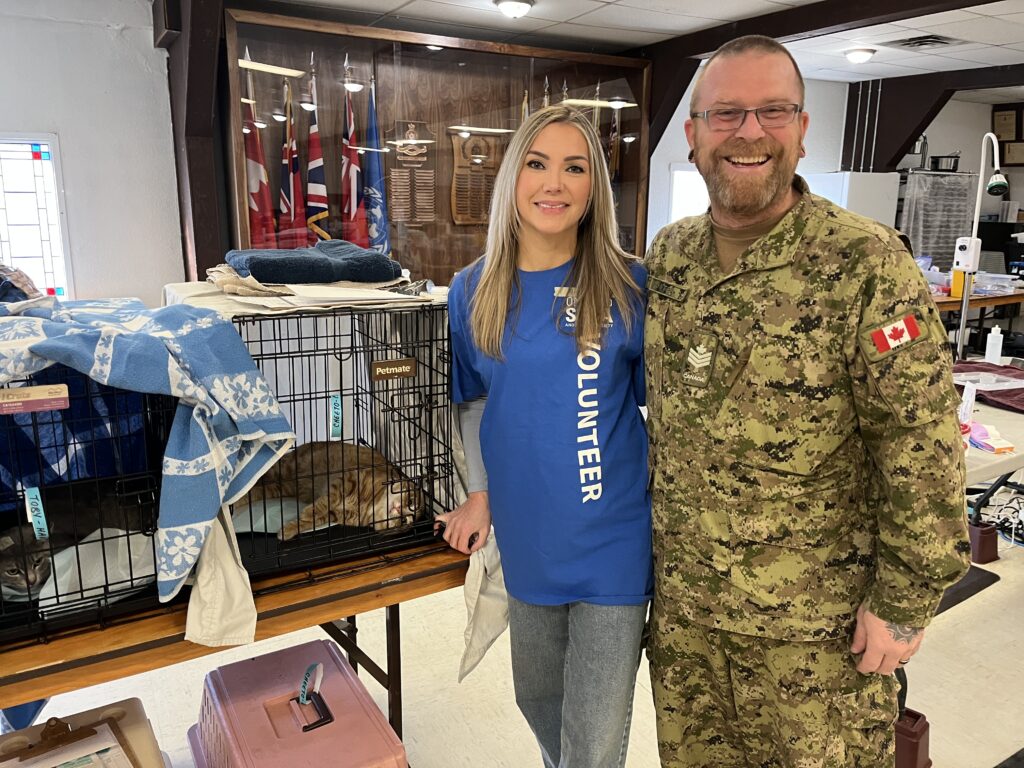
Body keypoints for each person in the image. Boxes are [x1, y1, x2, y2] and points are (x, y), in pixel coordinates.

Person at [644, 35, 970, 767]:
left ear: (802, 128)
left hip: (815, 639)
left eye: (774, 111)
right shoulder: (669, 259)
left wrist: (905, 602)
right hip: (689, 625)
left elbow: (919, 446)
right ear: (693, 134)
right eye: (726, 114)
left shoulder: (866, 262)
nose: (750, 132)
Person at [437, 105, 652, 768]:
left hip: (613, 542)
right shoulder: (473, 289)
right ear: (513, 177)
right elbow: (472, 402)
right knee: (538, 701)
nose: (552, 182)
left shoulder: (630, 285)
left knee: (592, 737)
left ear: (594, 189)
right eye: (536, 163)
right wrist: (480, 492)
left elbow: (667, 409)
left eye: (574, 166)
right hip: (529, 541)